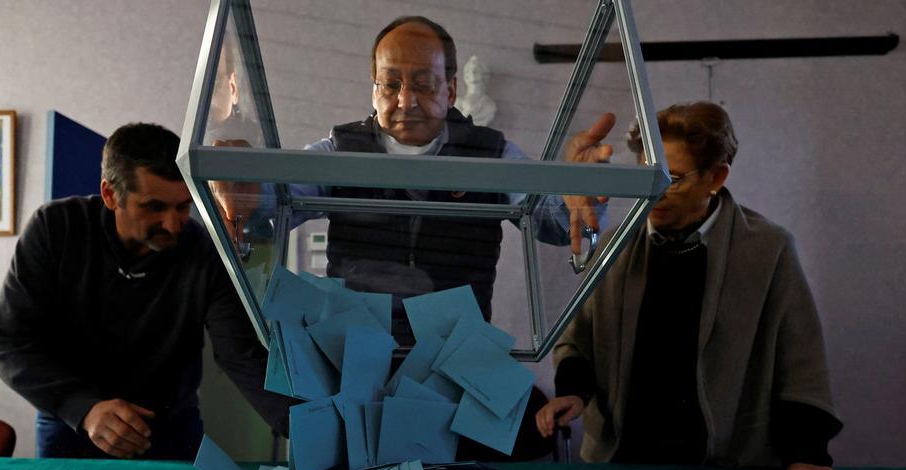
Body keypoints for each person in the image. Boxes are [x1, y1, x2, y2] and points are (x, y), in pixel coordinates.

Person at [535, 102, 887, 470]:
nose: (654, 194)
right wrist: (572, 392)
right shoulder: (615, 246)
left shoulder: (767, 250)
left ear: (716, 176)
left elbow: (800, 362)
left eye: (673, 179)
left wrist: (806, 454)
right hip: (625, 465)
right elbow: (578, 337)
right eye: (646, 176)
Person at [212, 15, 613, 342]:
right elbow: (274, 203)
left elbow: (553, 218)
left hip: (455, 361)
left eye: (423, 83)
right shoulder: (341, 150)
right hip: (354, 359)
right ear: (374, 91)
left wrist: (580, 190)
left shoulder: (490, 152)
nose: (405, 99)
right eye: (391, 84)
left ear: (451, 90)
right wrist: (242, 187)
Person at [0, 123, 291, 460]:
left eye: (182, 206)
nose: (174, 224)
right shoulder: (55, 230)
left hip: (171, 430)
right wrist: (83, 408)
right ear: (110, 195)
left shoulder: (202, 251)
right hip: (73, 424)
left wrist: (306, 426)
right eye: (154, 207)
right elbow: (10, 341)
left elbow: (242, 354)